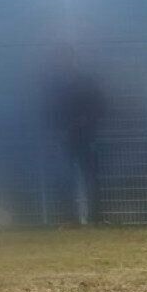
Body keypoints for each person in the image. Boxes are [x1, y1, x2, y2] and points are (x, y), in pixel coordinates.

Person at [43, 48, 108, 225]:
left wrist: (85, 122)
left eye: (65, 57)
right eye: (59, 57)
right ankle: (70, 218)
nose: (62, 61)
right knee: (66, 178)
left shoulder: (85, 82)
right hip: (65, 138)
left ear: (72, 58)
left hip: (85, 137)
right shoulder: (54, 84)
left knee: (90, 178)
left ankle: (96, 218)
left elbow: (100, 106)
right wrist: (57, 131)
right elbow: (47, 111)